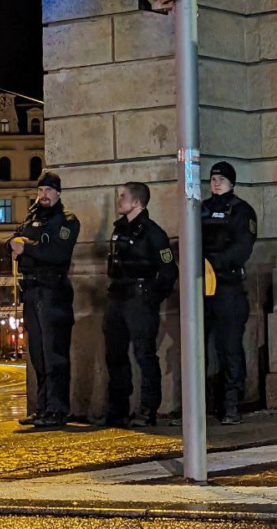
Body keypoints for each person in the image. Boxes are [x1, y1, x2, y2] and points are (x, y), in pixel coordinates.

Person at [10, 170, 80, 428]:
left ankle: (57, 408)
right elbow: (13, 242)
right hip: (31, 290)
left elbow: (57, 253)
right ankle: (42, 408)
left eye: (49, 190)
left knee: (54, 353)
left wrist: (27, 247)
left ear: (58, 193)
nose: (44, 195)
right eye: (41, 190)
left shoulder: (67, 220)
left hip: (53, 290)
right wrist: (28, 247)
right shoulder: (32, 218)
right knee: (38, 354)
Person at [103, 182, 177, 428]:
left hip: (139, 299)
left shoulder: (153, 233)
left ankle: (147, 410)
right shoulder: (120, 229)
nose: (119, 200)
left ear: (137, 202)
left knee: (144, 355)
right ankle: (118, 410)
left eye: (123, 196)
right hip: (117, 297)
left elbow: (168, 271)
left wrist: (151, 297)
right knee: (115, 355)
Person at [201, 161, 257, 425]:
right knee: (198, 347)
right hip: (202, 285)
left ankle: (232, 404)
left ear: (232, 183)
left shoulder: (242, 211)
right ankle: (199, 405)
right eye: (213, 179)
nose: (216, 183)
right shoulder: (200, 209)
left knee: (230, 347)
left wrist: (215, 263)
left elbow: (242, 248)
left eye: (222, 179)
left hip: (227, 286)